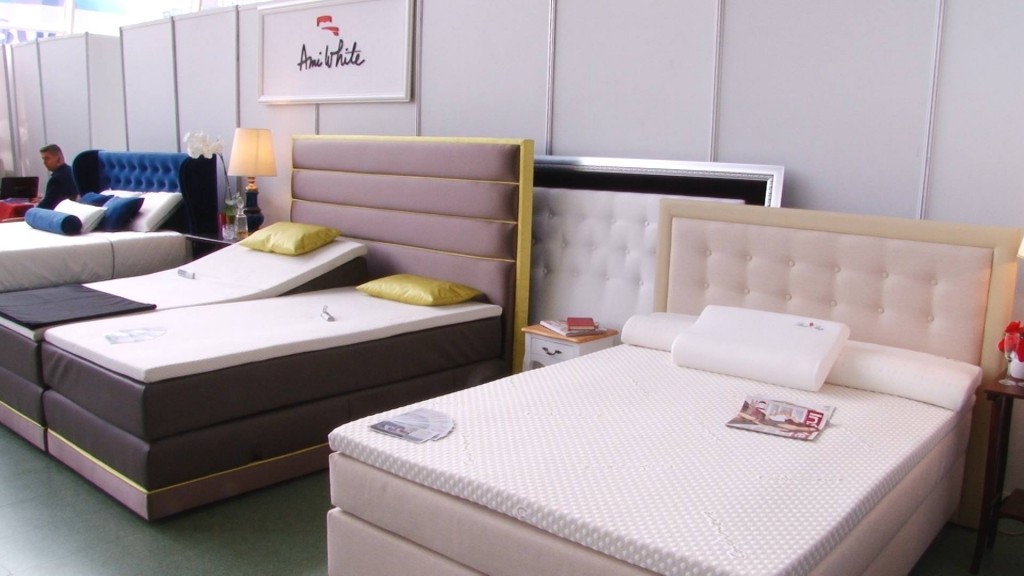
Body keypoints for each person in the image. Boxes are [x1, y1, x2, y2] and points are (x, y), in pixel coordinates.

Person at [38, 144, 79, 209]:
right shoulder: (71, 171)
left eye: (47, 159)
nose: (44, 162)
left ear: (58, 159)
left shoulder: (56, 179)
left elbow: (45, 207)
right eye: (43, 159)